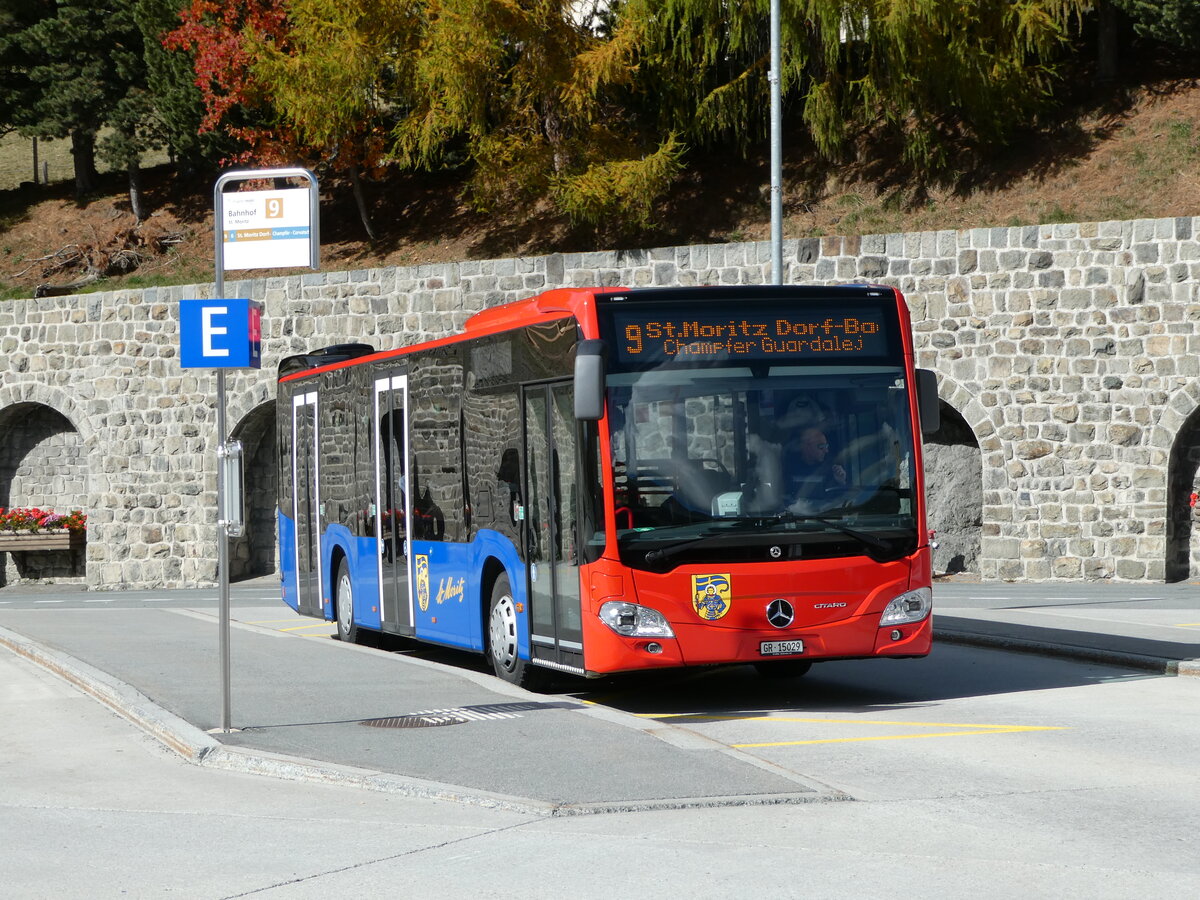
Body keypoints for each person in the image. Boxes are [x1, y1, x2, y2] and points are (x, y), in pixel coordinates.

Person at [785, 427, 847, 509]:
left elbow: (842, 502)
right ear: (807, 446)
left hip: (826, 517)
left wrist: (841, 482)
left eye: (826, 446)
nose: (826, 451)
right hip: (795, 518)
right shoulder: (789, 467)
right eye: (821, 446)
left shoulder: (832, 469)